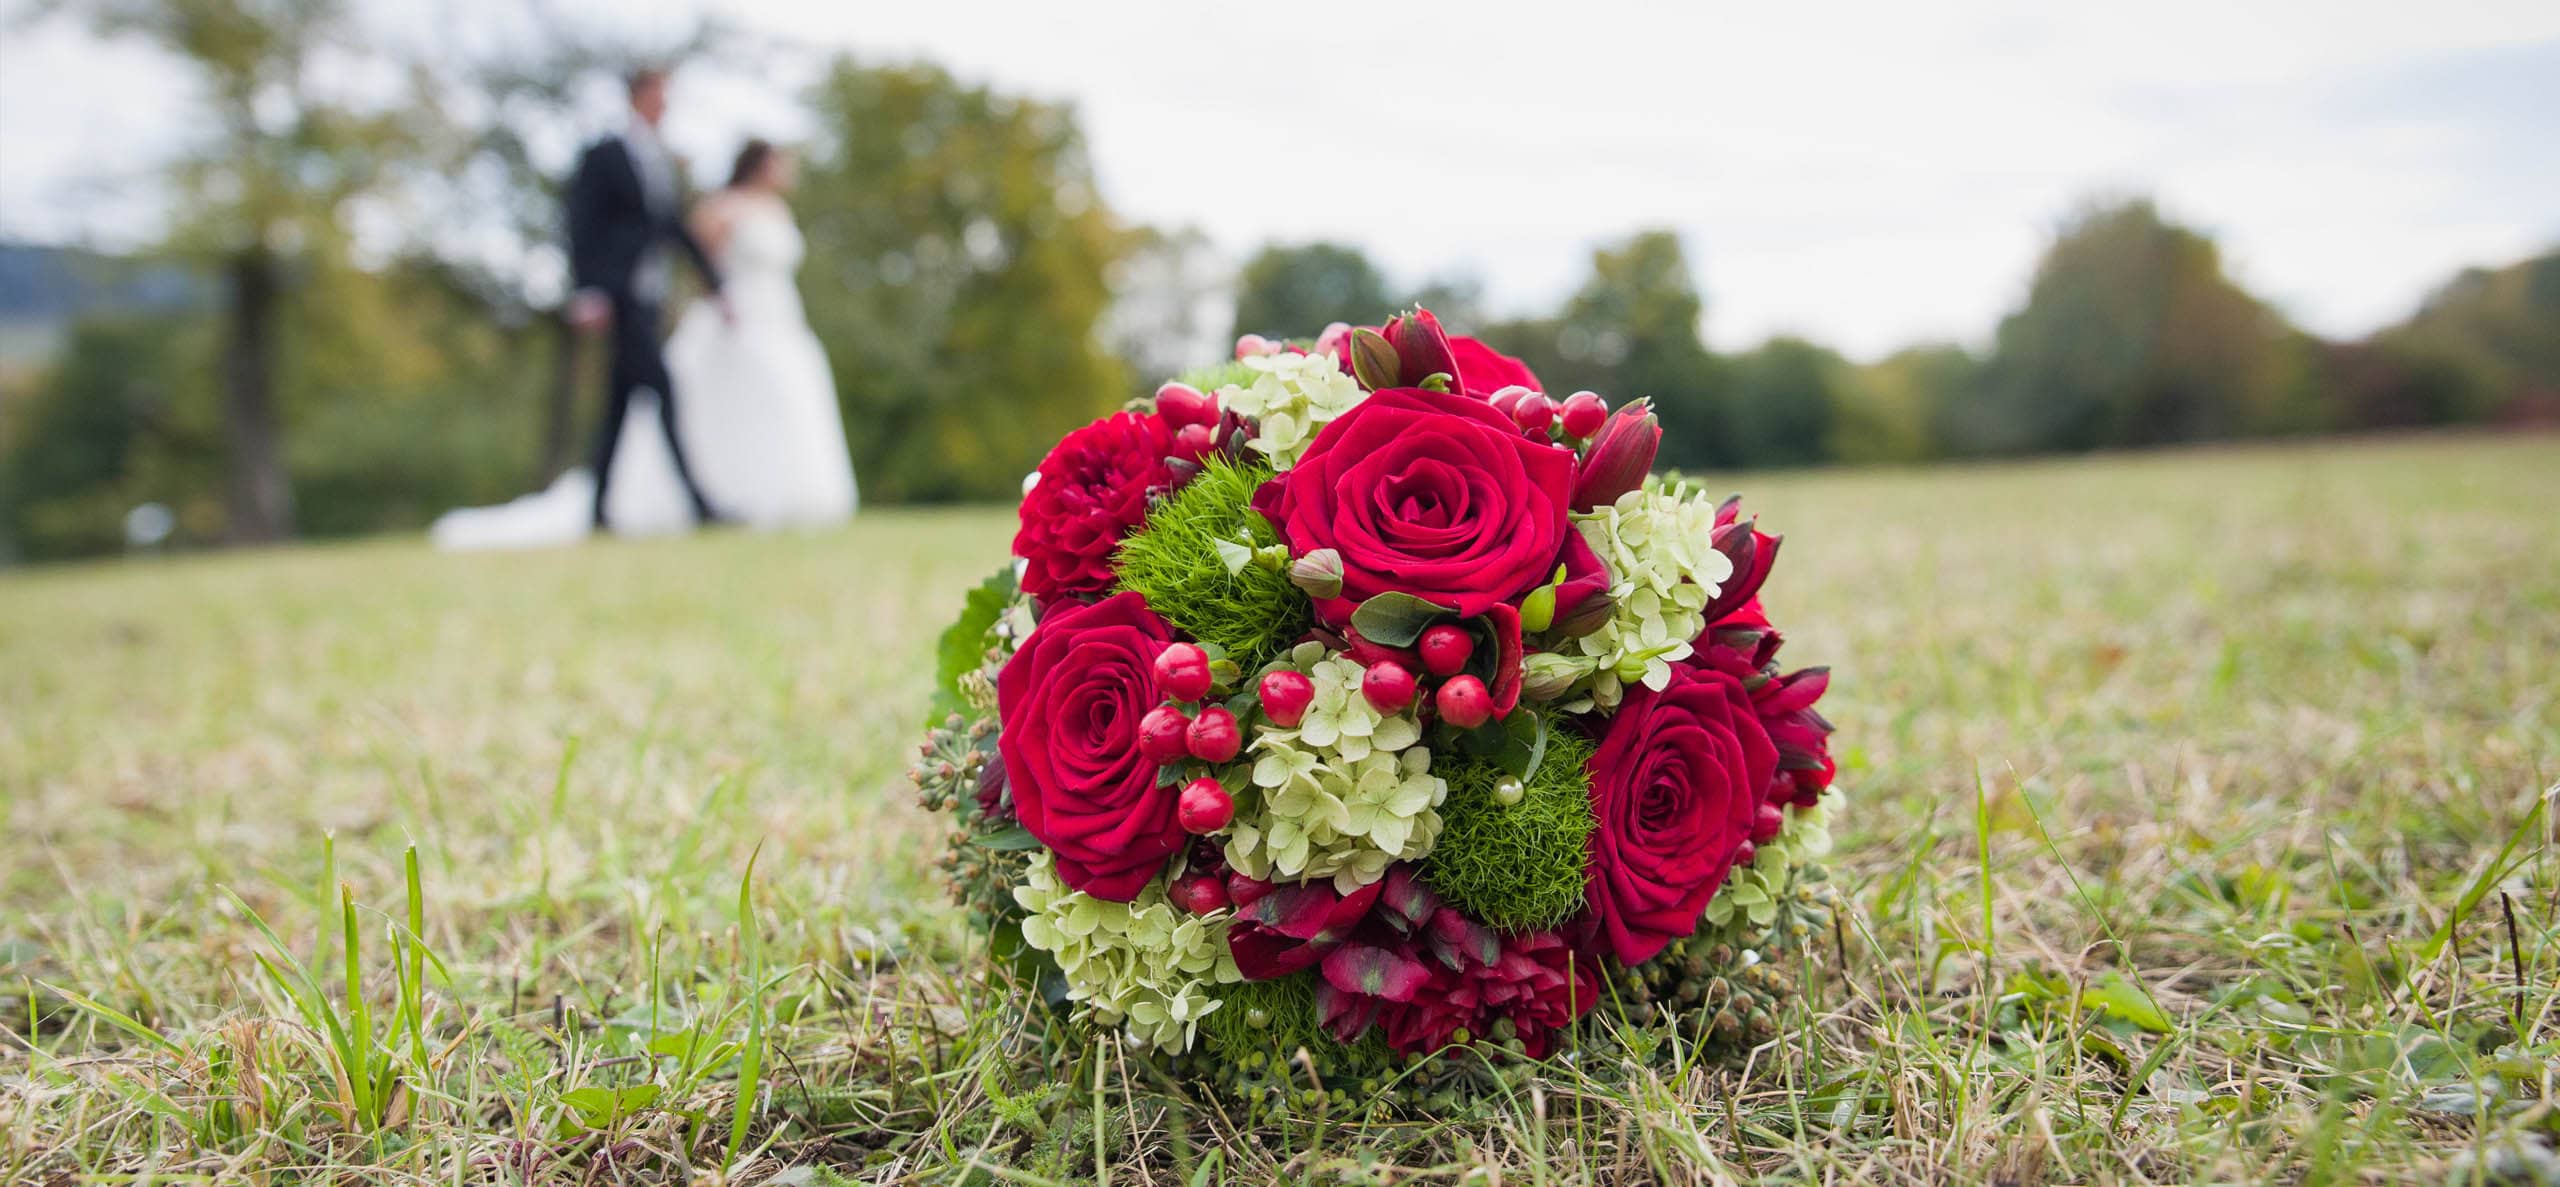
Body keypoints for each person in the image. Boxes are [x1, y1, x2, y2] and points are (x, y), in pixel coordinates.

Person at [658, 140, 858, 526]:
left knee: (789, 395)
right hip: (736, 313)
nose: (786, 172)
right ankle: (721, 495)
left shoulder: (778, 210)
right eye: (780, 164)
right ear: (759, 165)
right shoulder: (722, 207)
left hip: (781, 315)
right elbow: (699, 263)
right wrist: (719, 299)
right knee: (736, 399)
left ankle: (793, 496)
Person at [564, 65, 728, 529]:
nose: (666, 105)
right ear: (638, 96)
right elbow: (582, 220)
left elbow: (672, 226)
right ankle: (699, 504)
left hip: (650, 295)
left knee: (619, 407)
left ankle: (597, 512)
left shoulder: (659, 159)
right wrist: (588, 290)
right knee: (664, 389)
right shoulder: (607, 153)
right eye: (660, 95)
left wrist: (715, 284)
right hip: (618, 295)